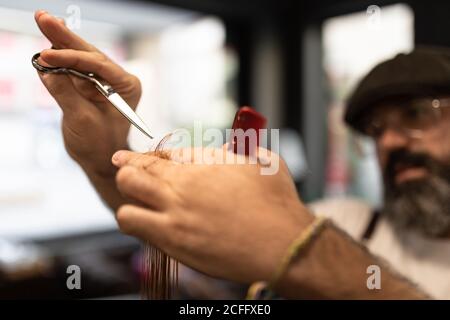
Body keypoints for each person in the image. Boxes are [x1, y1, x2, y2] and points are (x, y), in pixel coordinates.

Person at [34, 11, 449, 299]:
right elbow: (180, 227)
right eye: (376, 130)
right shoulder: (349, 222)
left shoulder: (319, 233)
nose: (390, 143)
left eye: (415, 115)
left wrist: (300, 249)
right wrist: (105, 155)